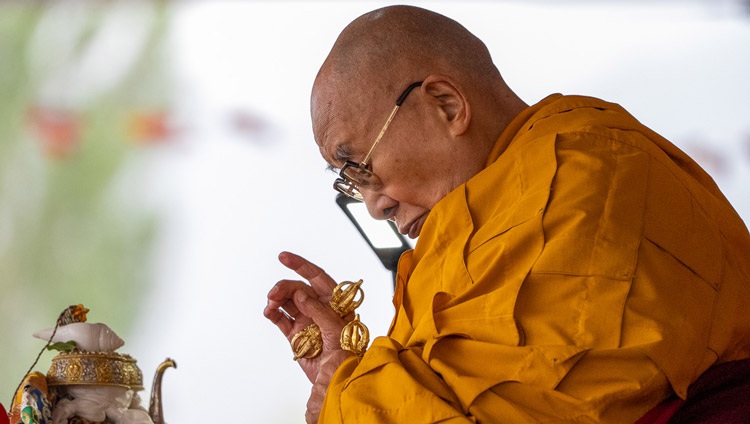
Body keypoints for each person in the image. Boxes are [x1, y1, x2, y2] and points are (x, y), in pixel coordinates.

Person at [264, 5, 750, 423]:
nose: (374, 206)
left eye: (360, 166)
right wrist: (345, 372)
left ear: (446, 105)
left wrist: (348, 395)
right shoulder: (472, 231)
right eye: (350, 181)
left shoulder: (586, 174)